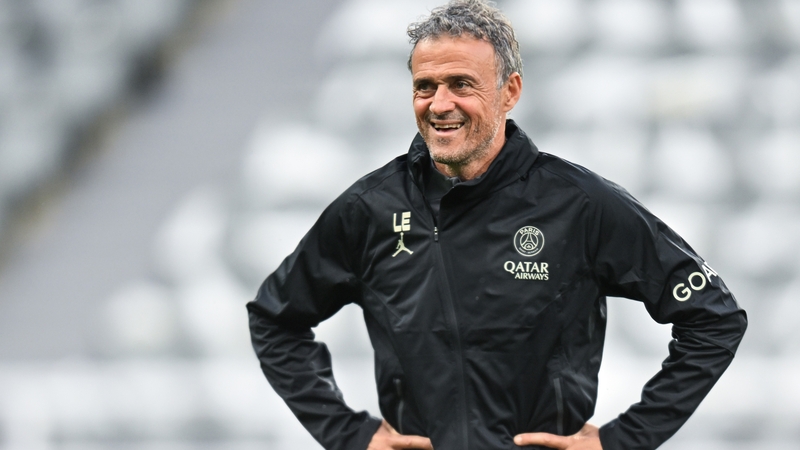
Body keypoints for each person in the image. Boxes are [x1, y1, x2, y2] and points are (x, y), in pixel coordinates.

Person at [247, 1, 747, 449]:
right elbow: (275, 319)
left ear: (510, 91)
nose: (439, 104)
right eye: (425, 87)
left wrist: (624, 440)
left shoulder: (579, 204)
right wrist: (351, 435)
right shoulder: (369, 209)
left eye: (461, 84)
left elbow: (713, 318)